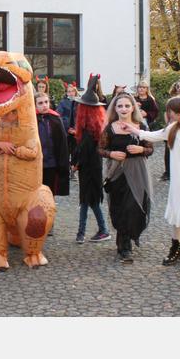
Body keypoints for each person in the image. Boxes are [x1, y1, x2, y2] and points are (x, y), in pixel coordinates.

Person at [126, 96, 180, 275]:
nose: (168, 114)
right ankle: (176, 249)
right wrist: (133, 129)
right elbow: (154, 136)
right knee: (177, 216)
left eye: (171, 111)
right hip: (177, 182)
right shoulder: (173, 129)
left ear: (179, 112)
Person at [99, 93, 153, 264]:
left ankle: (126, 246)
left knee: (134, 207)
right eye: (120, 106)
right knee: (119, 208)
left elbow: (150, 149)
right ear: (115, 108)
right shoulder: (109, 128)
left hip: (137, 173)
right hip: (116, 173)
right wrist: (111, 153)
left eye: (127, 106)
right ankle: (122, 242)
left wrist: (141, 150)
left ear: (132, 108)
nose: (123, 109)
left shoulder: (141, 126)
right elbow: (99, 149)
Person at [72, 75, 111, 244]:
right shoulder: (94, 128)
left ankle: (97, 230)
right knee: (88, 199)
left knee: (89, 199)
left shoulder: (89, 131)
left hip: (89, 168)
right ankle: (88, 232)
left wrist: (75, 164)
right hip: (92, 167)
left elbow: (84, 151)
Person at [35, 92, 70, 198]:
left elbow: (62, 144)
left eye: (46, 102)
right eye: (40, 103)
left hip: (51, 164)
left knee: (49, 195)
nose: (44, 105)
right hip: (36, 165)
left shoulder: (55, 118)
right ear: (35, 105)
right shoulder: (31, 119)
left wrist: (63, 165)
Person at [57, 82, 79, 180]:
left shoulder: (79, 102)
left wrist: (76, 129)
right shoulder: (63, 102)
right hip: (65, 132)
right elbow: (59, 116)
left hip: (76, 132)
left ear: (75, 92)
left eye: (72, 91)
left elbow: (80, 117)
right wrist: (67, 128)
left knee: (75, 152)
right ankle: (65, 171)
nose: (70, 93)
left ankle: (73, 171)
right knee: (65, 152)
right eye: (68, 91)